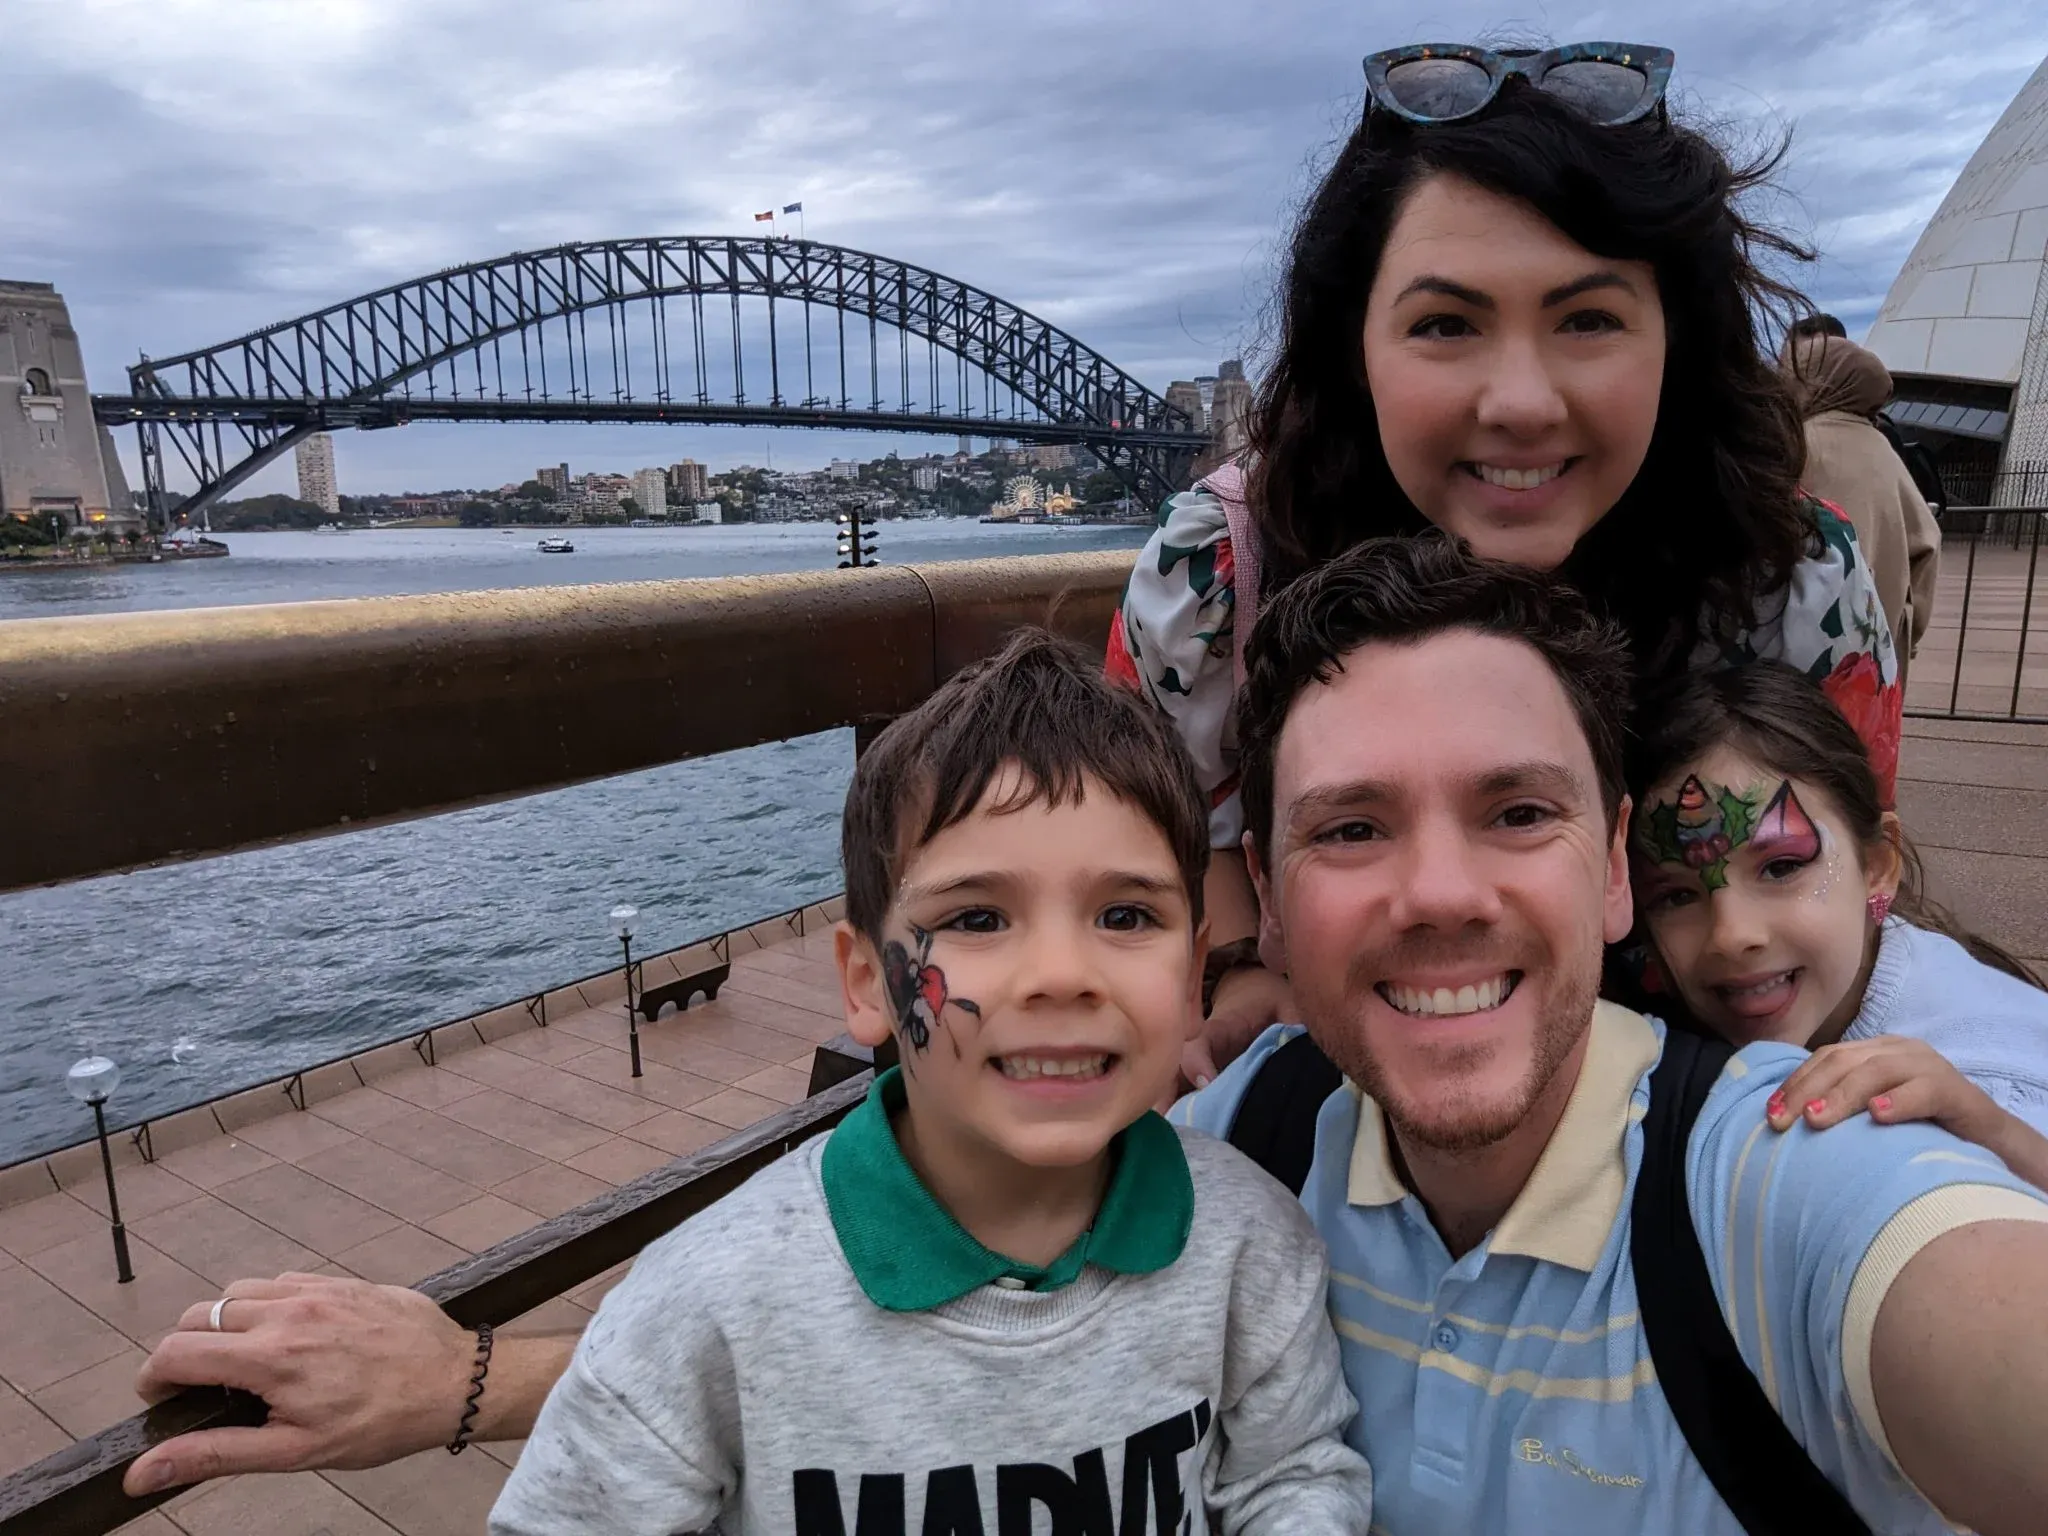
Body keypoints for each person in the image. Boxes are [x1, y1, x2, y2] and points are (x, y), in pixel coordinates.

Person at [1171, 534, 2048, 1534]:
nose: (1440, 896)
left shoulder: (1777, 1177)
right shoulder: (1238, 1138)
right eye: (1349, 829)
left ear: (1612, 873)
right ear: (1266, 902)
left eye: (1517, 811)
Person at [1106, 42, 1902, 1085]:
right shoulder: (1215, 574)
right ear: (1356, 347)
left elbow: (1843, 898)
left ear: (1676, 337)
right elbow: (1153, 848)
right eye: (1444, 324)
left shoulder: (1793, 580)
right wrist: (1235, 971)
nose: (1520, 402)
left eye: (1587, 319)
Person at [481, 630, 1371, 1532]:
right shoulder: (711, 1304)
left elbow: (1290, 1474)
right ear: (869, 982)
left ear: (1189, 980)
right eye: (979, 917)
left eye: (1125, 914)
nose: (1061, 974)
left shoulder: (1249, 1248)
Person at [1626, 660, 2048, 1185]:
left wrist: (1999, 1136)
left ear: (1878, 867)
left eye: (1781, 867)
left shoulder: (1981, 1090)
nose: (1732, 935)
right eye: (1674, 895)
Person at [1781, 323, 1942, 686]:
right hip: (1874, 651)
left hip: (1797, 655)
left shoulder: (1793, 447)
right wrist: (1903, 632)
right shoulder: (1884, 449)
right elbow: (1927, 545)